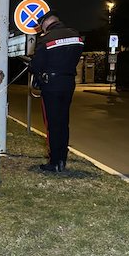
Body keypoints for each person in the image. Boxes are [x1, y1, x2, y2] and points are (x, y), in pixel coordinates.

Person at [31, 11, 84, 172]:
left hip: (51, 84)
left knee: (53, 124)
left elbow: (36, 65)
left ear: (46, 23)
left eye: (41, 26)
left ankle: (54, 162)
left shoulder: (46, 39)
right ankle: (62, 159)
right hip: (68, 82)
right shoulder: (76, 35)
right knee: (63, 122)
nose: (41, 30)